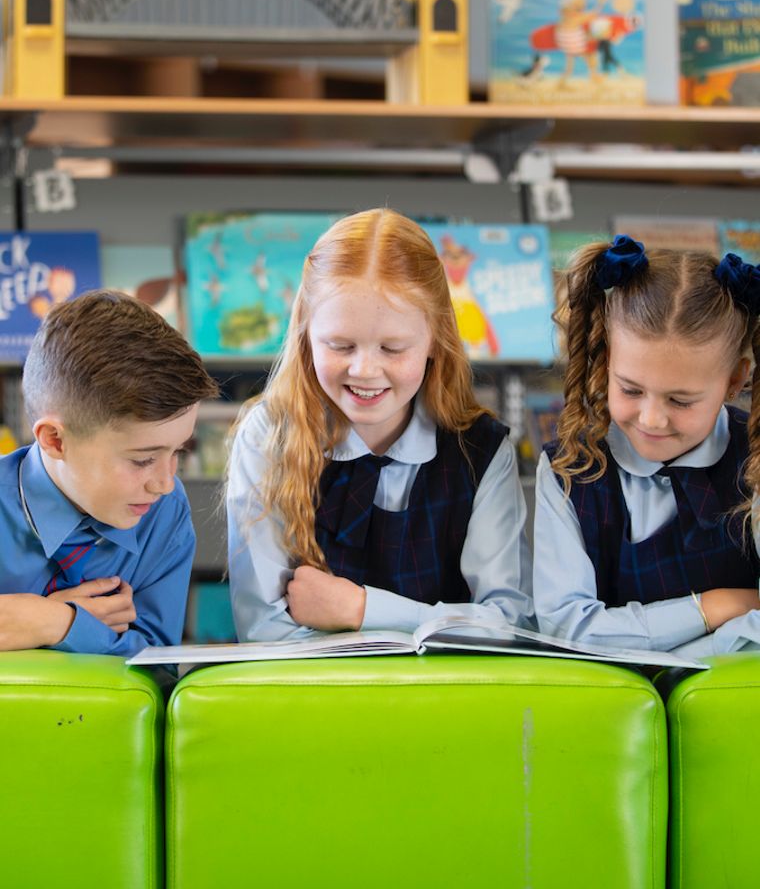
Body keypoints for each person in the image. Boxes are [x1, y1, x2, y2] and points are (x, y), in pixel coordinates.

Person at [227, 208, 532, 641]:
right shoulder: (269, 435)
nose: (365, 370)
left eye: (392, 348)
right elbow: (264, 629)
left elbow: (509, 621)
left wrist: (360, 609)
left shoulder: (480, 449)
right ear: (306, 335)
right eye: (340, 345)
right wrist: (431, 626)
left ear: (435, 339)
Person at [534, 235, 760, 659]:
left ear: (735, 380)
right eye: (631, 389)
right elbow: (567, 628)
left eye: (681, 400)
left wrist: (639, 641)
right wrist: (717, 606)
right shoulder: (568, 468)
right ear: (605, 364)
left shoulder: (756, 461)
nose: (652, 419)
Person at [0, 290, 219, 654]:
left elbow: (154, 667)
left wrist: (54, 622)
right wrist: (74, 626)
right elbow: (127, 652)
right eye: (141, 460)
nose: (165, 483)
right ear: (55, 440)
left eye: (178, 450)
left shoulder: (164, 513)